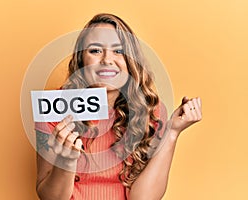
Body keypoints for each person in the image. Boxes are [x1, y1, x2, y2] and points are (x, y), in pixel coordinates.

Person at [34, 13, 202, 200]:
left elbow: (143, 198)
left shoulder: (150, 111)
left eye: (118, 51)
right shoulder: (54, 107)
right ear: (81, 59)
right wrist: (66, 160)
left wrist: (171, 133)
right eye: (95, 50)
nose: (107, 60)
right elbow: (49, 197)